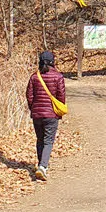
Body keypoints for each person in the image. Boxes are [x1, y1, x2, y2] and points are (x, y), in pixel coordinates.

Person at [25, 50, 66, 181]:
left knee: (40, 139)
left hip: (37, 114)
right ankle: (43, 166)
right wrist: (58, 110)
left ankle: (41, 165)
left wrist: (33, 108)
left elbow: (29, 95)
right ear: (53, 62)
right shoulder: (58, 77)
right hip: (51, 114)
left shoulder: (34, 77)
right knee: (48, 141)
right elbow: (61, 96)